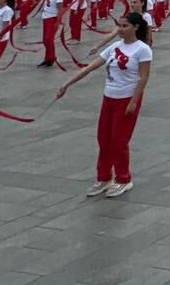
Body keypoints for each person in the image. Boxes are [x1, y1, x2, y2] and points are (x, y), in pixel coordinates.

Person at [56, 11, 153, 199]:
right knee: (104, 139)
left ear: (136, 27)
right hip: (109, 97)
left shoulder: (142, 49)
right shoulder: (114, 47)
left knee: (119, 141)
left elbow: (144, 77)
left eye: (125, 26)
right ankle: (104, 178)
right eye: (119, 26)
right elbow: (91, 66)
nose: (120, 30)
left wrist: (134, 101)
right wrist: (67, 83)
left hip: (127, 99)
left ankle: (124, 179)